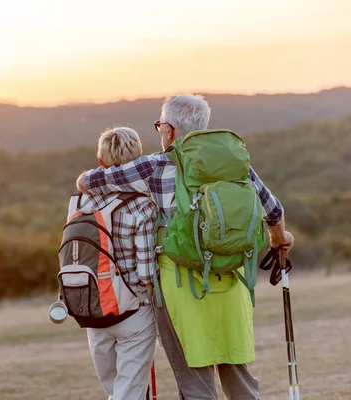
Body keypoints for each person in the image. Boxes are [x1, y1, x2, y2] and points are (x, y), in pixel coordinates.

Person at [76, 94, 295, 400]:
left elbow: (89, 181)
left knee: (195, 381)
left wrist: (87, 177)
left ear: (169, 129)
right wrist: (278, 238)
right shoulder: (235, 165)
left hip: (180, 285)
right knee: (237, 374)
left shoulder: (155, 165)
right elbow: (274, 211)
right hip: (232, 280)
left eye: (159, 126)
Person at [68, 127, 158, 400]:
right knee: (128, 392)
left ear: (101, 163)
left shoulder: (80, 201)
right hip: (133, 312)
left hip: (92, 307)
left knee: (116, 390)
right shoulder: (143, 206)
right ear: (138, 161)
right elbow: (146, 273)